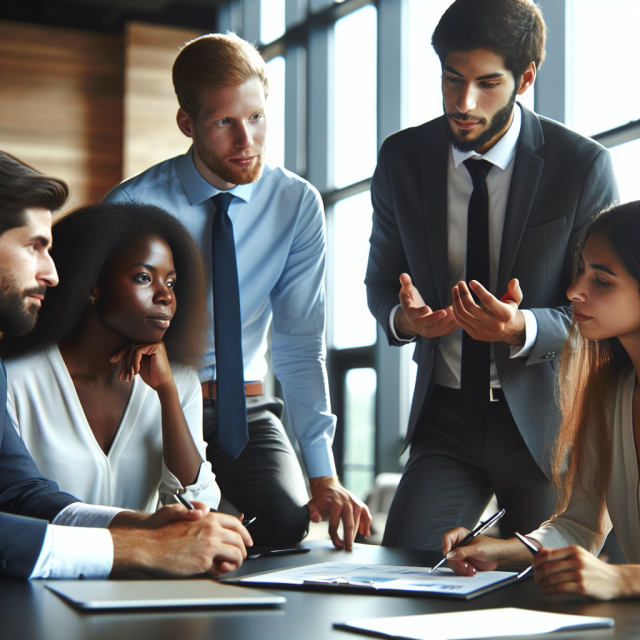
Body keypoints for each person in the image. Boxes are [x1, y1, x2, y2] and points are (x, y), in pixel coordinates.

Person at [365, 0, 619, 551]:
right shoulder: (402, 159)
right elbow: (381, 282)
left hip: (544, 422)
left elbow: (604, 308)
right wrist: (404, 319)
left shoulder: (582, 166)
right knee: (406, 569)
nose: (463, 102)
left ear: (525, 77)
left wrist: (520, 327)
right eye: (452, 79)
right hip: (446, 415)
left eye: (487, 83)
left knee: (547, 587)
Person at [103, 33, 371, 549]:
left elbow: (299, 342)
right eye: (224, 122)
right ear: (188, 123)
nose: (246, 140)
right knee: (154, 528)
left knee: (287, 524)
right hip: (146, 400)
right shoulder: (133, 206)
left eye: (255, 118)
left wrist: (324, 474)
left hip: (244, 408)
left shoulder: (296, 204)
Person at [0, 151, 251, 579]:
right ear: (95, 285)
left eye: (171, 282)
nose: (52, 274)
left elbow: (19, 491)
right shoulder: (18, 375)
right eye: (34, 246)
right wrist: (138, 546)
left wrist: (143, 525)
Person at [441, 202, 640, 600]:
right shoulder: (611, 392)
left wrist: (623, 580)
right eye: (580, 270)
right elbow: (581, 525)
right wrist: (507, 549)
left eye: (601, 281)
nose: (573, 292)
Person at [1, 201, 220, 513]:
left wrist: (167, 394)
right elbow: (16, 511)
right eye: (144, 277)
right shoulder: (15, 382)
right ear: (94, 285)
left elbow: (199, 505)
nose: (166, 296)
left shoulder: (178, 382)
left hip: (149, 563)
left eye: (170, 282)